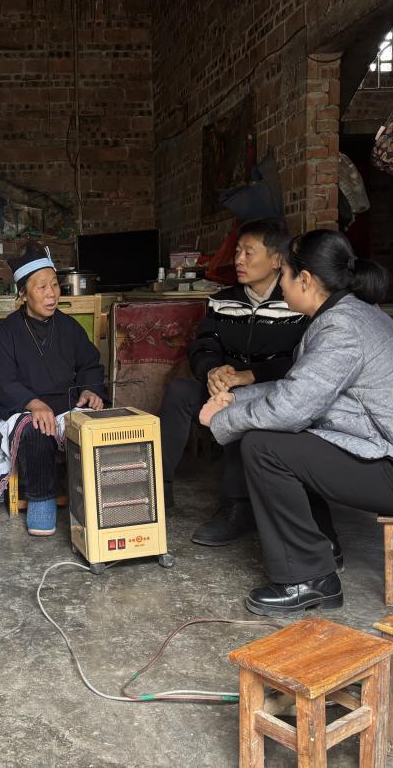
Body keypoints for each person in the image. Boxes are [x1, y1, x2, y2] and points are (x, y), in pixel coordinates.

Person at [199, 229, 393, 617]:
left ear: (305, 280)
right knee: (283, 436)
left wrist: (225, 418)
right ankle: (322, 547)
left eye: (285, 275)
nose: (281, 285)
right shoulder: (344, 315)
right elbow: (300, 389)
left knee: (264, 446)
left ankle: (308, 578)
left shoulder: (342, 328)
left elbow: (291, 408)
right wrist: (236, 399)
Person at [158, 218, 308, 545]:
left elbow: (302, 359)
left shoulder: (296, 302)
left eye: (248, 252)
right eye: (237, 251)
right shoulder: (223, 300)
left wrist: (251, 375)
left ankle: (237, 506)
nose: (238, 259)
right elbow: (204, 344)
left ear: (277, 259)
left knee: (243, 412)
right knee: (180, 392)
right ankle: (158, 489)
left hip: (271, 394)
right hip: (224, 387)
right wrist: (212, 371)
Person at [0, 245, 108, 536]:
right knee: (38, 428)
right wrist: (34, 403)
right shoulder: (6, 334)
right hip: (25, 408)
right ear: (23, 294)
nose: (52, 293)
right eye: (41, 287)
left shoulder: (69, 327)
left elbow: (90, 364)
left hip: (68, 405)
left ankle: (96, 499)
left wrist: (90, 390)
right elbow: (3, 382)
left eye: (54, 285)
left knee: (98, 423)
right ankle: (41, 499)